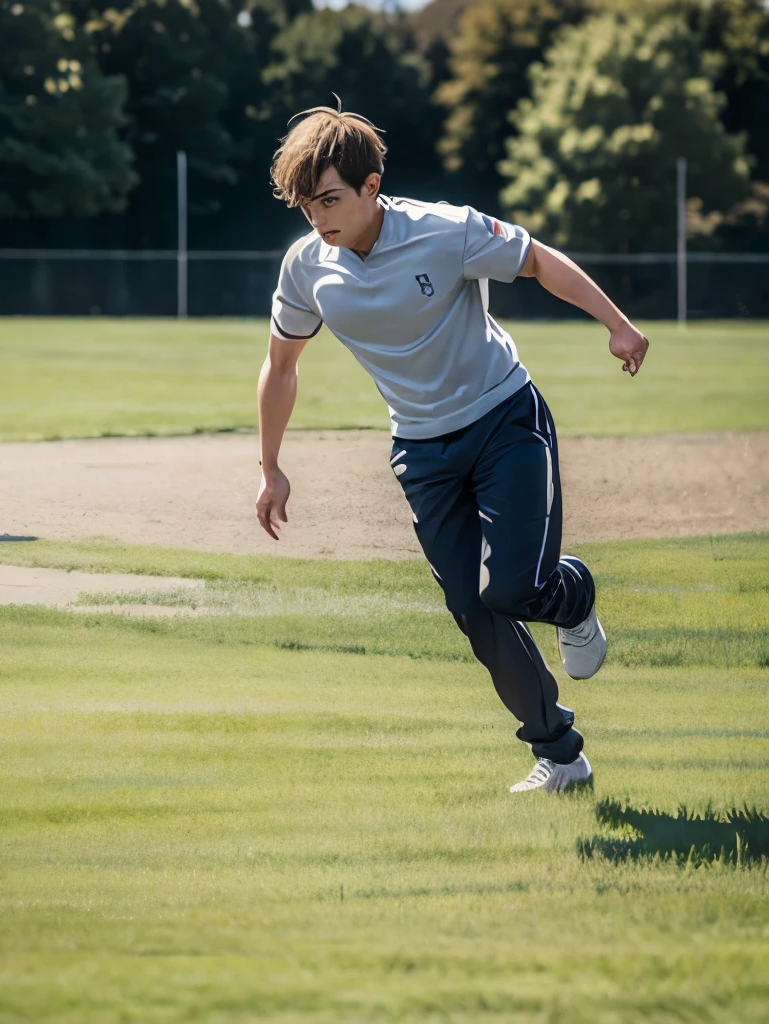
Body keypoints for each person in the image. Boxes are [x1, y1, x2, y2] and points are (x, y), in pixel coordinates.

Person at [255, 103, 649, 793]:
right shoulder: (306, 268)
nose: (317, 218)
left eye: (329, 199)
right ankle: (560, 756)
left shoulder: (444, 229)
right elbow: (280, 367)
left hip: (504, 422)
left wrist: (616, 324)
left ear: (371, 187)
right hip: (421, 454)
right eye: (305, 205)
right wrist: (271, 469)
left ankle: (574, 593)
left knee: (517, 589)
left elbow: (536, 261)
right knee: (473, 608)